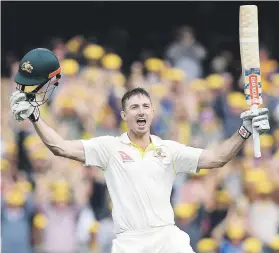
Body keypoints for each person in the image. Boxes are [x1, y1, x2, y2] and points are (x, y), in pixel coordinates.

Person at [10, 48, 270, 253]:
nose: (141, 111)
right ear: (124, 114)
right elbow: (60, 147)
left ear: (153, 113)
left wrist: (244, 130)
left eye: (146, 106)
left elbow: (217, 158)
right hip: (130, 243)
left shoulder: (169, 149)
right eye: (134, 107)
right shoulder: (108, 147)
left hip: (168, 239)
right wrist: (35, 117)